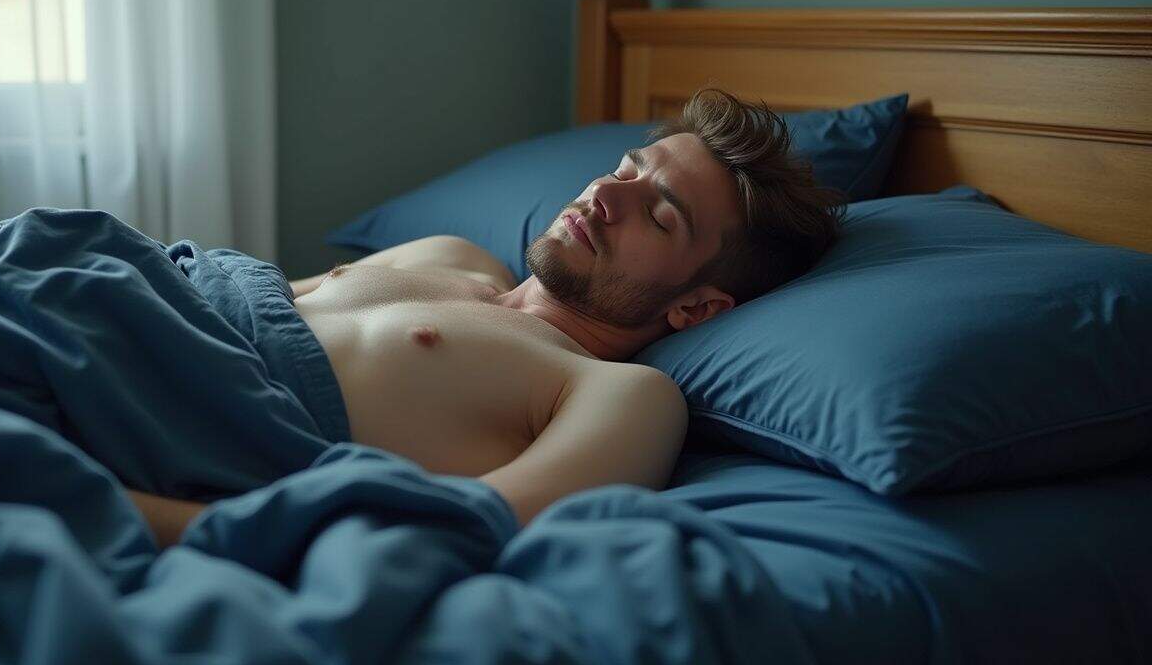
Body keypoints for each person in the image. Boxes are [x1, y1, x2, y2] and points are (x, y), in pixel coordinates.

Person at [129, 88, 846, 543]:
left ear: (697, 305)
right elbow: (222, 294)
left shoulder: (616, 394)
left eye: (657, 216)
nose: (606, 195)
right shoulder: (452, 254)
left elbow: (472, 526)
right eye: (627, 169)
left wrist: (141, 518)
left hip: (152, 418)